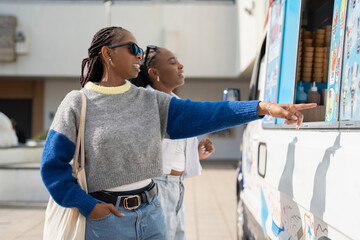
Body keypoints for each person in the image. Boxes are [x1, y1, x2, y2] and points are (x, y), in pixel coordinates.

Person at [40, 26, 316, 240]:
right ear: (108, 54)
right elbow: (52, 167)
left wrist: (263, 107)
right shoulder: (77, 103)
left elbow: (207, 113)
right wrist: (88, 205)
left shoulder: (150, 101)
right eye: (132, 47)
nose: (139, 54)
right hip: (106, 220)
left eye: (139, 50)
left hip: (152, 213)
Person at [130, 45, 215, 240]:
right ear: (154, 72)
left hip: (177, 186)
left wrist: (198, 152)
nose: (181, 66)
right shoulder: (145, 102)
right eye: (173, 62)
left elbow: (174, 151)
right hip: (156, 186)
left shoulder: (177, 102)